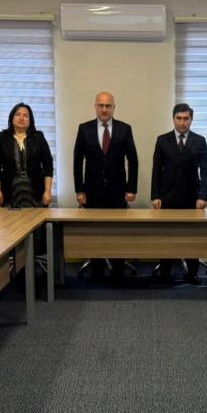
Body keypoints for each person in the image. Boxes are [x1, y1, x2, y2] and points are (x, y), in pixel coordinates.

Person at [73, 91, 139, 282]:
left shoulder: (124, 129)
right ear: (95, 107)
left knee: (118, 232)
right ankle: (97, 271)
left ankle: (118, 271)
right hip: (92, 191)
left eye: (108, 106)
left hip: (117, 192)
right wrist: (79, 189)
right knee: (95, 232)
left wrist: (131, 189)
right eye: (100, 105)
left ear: (113, 108)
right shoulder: (84, 129)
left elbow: (133, 161)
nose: (104, 109)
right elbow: (77, 161)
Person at [150, 103, 207, 284]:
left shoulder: (199, 140)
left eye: (186, 119)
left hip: (191, 196)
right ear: (173, 119)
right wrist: (155, 195)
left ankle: (192, 273)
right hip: (167, 195)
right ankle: (165, 272)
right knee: (166, 234)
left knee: (192, 235)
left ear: (191, 120)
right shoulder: (163, 140)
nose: (182, 122)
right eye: (179, 118)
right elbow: (156, 170)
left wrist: (202, 196)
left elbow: (205, 170)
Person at [0, 102, 54, 208]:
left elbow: (48, 165)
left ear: (30, 120)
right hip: (9, 191)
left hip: (35, 191)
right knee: (11, 218)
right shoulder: (1, 138)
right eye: (18, 114)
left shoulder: (38, 137)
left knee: (36, 217)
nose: (21, 118)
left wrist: (48, 191)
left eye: (25, 115)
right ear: (12, 117)